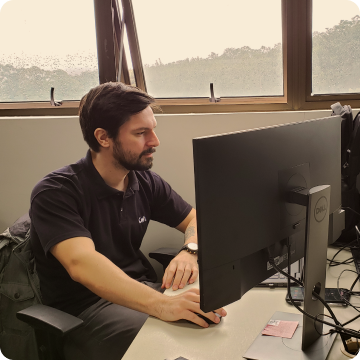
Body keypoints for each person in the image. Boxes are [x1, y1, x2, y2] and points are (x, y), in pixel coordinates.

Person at [29, 82, 227, 360]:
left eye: (153, 129)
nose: (155, 141)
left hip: (141, 291)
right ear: (103, 137)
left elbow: (195, 218)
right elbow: (82, 265)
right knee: (177, 347)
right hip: (87, 310)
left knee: (214, 322)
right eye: (141, 133)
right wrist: (160, 305)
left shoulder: (144, 181)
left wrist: (190, 250)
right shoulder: (56, 192)